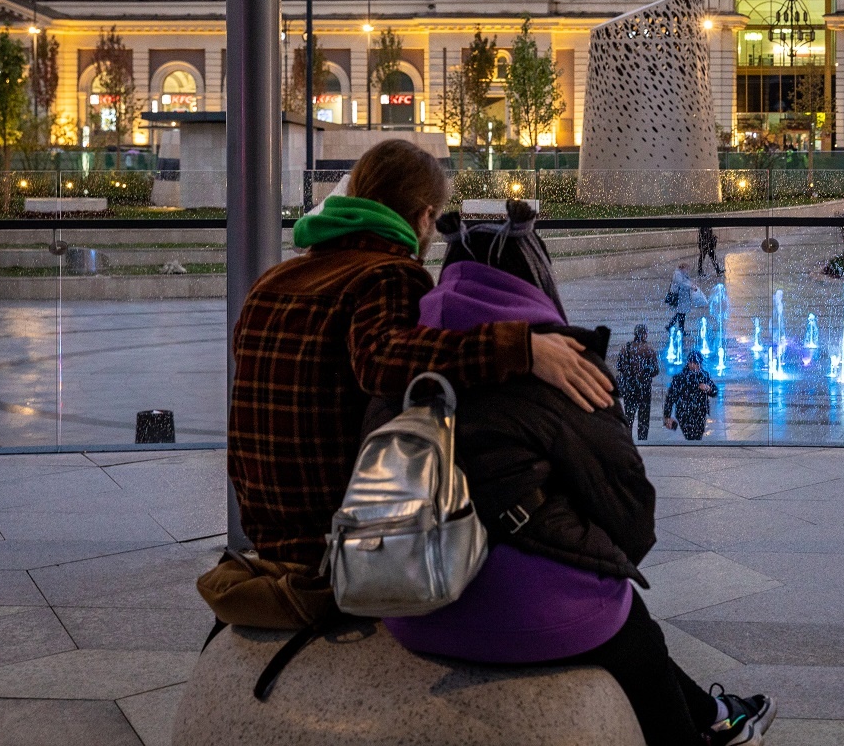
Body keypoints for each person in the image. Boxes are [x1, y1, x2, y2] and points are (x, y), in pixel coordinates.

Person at [400, 193, 776, 746]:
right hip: (516, 613)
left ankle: (717, 715)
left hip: (413, 602)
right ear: (536, 275)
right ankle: (708, 729)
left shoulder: (410, 358)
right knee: (623, 616)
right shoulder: (567, 371)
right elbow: (629, 515)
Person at [229, 140, 613, 575]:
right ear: (425, 217)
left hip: (266, 528)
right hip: (341, 538)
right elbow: (382, 361)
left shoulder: (273, 280)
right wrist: (521, 348)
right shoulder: (389, 273)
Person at [616, 324, 659, 442]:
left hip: (630, 388)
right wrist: (644, 373)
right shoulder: (649, 350)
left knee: (629, 415)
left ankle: (627, 439)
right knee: (643, 417)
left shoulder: (626, 348)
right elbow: (655, 371)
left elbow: (619, 366)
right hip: (644, 388)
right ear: (644, 334)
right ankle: (642, 439)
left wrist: (630, 372)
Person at [663, 352, 717, 441]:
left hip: (700, 412)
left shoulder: (703, 375)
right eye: (696, 364)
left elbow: (714, 391)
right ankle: (692, 452)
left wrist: (708, 388)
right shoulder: (679, 378)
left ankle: (694, 453)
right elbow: (670, 398)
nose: (698, 366)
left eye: (699, 364)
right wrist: (667, 416)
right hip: (684, 413)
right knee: (691, 437)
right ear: (690, 363)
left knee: (698, 437)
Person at [664, 264, 706, 339]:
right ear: (682, 268)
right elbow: (682, 284)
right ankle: (678, 329)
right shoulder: (677, 274)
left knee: (680, 313)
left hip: (683, 298)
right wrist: (691, 286)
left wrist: (692, 284)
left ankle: (673, 326)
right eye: (686, 269)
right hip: (680, 298)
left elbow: (686, 281)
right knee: (681, 314)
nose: (687, 271)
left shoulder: (681, 274)